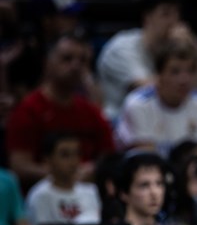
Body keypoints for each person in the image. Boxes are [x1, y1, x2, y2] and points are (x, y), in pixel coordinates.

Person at [5, 32, 115, 189]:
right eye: (67, 59)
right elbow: (19, 167)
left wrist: (94, 169)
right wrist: (63, 174)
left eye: (83, 61)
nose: (76, 66)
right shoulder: (29, 109)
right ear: (48, 62)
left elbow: (109, 156)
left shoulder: (91, 111)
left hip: (86, 194)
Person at [114, 38, 197, 156]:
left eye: (190, 71)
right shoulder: (138, 104)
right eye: (175, 72)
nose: (184, 80)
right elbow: (147, 160)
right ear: (159, 76)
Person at [25, 133, 102, 225]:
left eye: (77, 153)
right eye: (65, 155)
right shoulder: (40, 196)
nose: (73, 161)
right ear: (48, 159)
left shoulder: (91, 191)